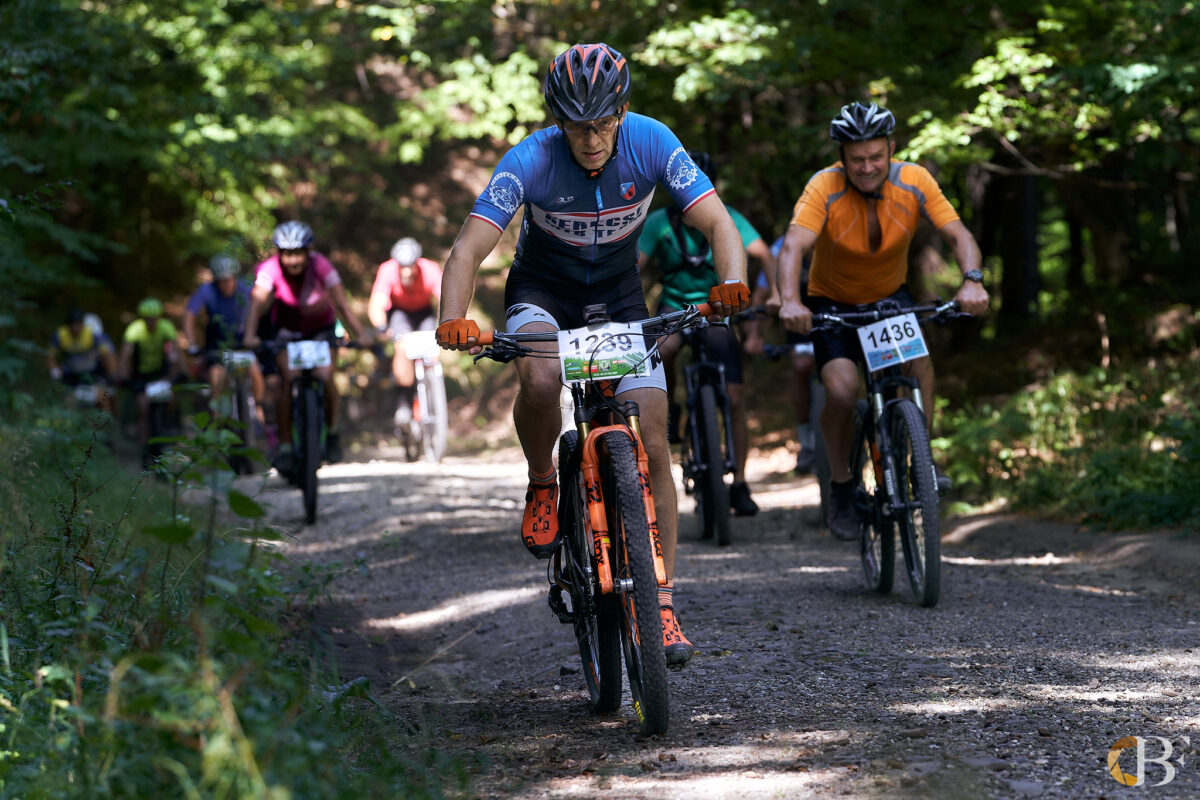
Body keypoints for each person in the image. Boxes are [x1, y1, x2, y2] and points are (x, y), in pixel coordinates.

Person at [435, 43, 750, 667]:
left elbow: (719, 224)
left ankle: (659, 599)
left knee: (654, 437)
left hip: (619, 296)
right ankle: (544, 481)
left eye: (603, 124)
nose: (590, 139)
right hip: (542, 291)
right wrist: (453, 319)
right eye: (576, 126)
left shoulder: (654, 140)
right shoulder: (529, 157)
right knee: (541, 373)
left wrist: (731, 281)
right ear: (558, 121)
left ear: (622, 111)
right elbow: (468, 250)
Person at [777, 101, 990, 541]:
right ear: (843, 157)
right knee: (840, 390)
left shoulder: (914, 180)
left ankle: (922, 463)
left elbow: (958, 234)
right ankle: (840, 485)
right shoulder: (824, 186)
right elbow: (794, 247)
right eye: (857, 159)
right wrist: (790, 301)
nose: (868, 167)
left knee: (917, 363)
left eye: (876, 156)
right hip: (831, 303)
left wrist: (972, 281)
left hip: (889, 298)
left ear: (891, 148)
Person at [637, 150, 766, 516]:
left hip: (716, 309)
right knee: (662, 351)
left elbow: (764, 257)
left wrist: (759, 300)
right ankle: (673, 407)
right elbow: (637, 268)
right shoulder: (657, 223)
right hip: (674, 306)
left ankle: (740, 482)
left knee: (736, 397)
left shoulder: (727, 218)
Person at [241, 221, 371, 468]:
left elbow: (342, 304)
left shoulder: (322, 265)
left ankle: (332, 433)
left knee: (326, 376)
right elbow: (257, 303)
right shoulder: (269, 269)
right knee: (286, 380)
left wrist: (360, 334)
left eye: (298, 253)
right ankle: (286, 445)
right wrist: (249, 334)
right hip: (286, 331)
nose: (293, 261)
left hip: (321, 329)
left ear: (308, 251)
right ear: (279, 253)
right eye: (287, 254)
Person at [741, 236, 819, 474]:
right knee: (802, 366)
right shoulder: (780, 249)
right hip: (798, 316)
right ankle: (807, 442)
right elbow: (762, 296)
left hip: (834, 306)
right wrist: (754, 335)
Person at [367, 236, 442, 427]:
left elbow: (445, 296)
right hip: (399, 313)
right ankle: (404, 403)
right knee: (402, 348)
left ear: (418, 263)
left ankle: (434, 388)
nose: (407, 271)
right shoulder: (387, 270)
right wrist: (381, 326)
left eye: (411, 266)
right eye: (403, 267)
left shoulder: (430, 269)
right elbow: (377, 302)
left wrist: (447, 322)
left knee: (433, 350)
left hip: (424, 313)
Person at [182, 254, 265, 420]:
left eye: (227, 280)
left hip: (242, 344)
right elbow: (189, 315)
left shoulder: (246, 290)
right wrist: (192, 343)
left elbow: (259, 310)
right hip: (216, 347)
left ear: (234, 277)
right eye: (220, 281)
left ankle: (258, 407)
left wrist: (257, 335)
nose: (224, 285)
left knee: (254, 370)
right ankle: (218, 421)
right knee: (216, 376)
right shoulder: (207, 290)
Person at [119, 297, 179, 462]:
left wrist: (177, 369)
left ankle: (171, 427)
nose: (151, 322)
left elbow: (173, 352)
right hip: (141, 376)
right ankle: (144, 447)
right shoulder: (135, 330)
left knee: (171, 398)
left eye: (154, 319)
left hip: (160, 373)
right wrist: (122, 372)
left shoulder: (166, 328)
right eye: (148, 319)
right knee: (143, 408)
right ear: (143, 319)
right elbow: (126, 354)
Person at [49, 307, 118, 414]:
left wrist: (112, 374)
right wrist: (54, 370)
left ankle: (106, 427)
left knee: (104, 399)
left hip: (93, 375)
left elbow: (107, 354)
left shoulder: (92, 334)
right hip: (71, 377)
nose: (75, 328)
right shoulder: (60, 335)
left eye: (78, 324)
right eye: (72, 325)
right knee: (67, 403)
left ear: (82, 324)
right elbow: (50, 354)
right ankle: (71, 428)